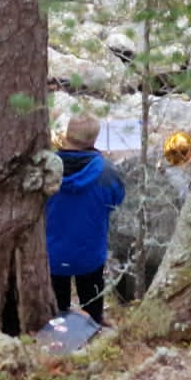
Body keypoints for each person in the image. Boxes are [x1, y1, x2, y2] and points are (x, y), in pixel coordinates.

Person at [46, 114, 125, 324]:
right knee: (92, 305)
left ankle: (57, 335)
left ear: (67, 135)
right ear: (94, 139)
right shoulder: (107, 173)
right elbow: (117, 200)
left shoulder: (46, 169)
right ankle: (95, 326)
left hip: (50, 254)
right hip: (90, 254)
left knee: (56, 311)